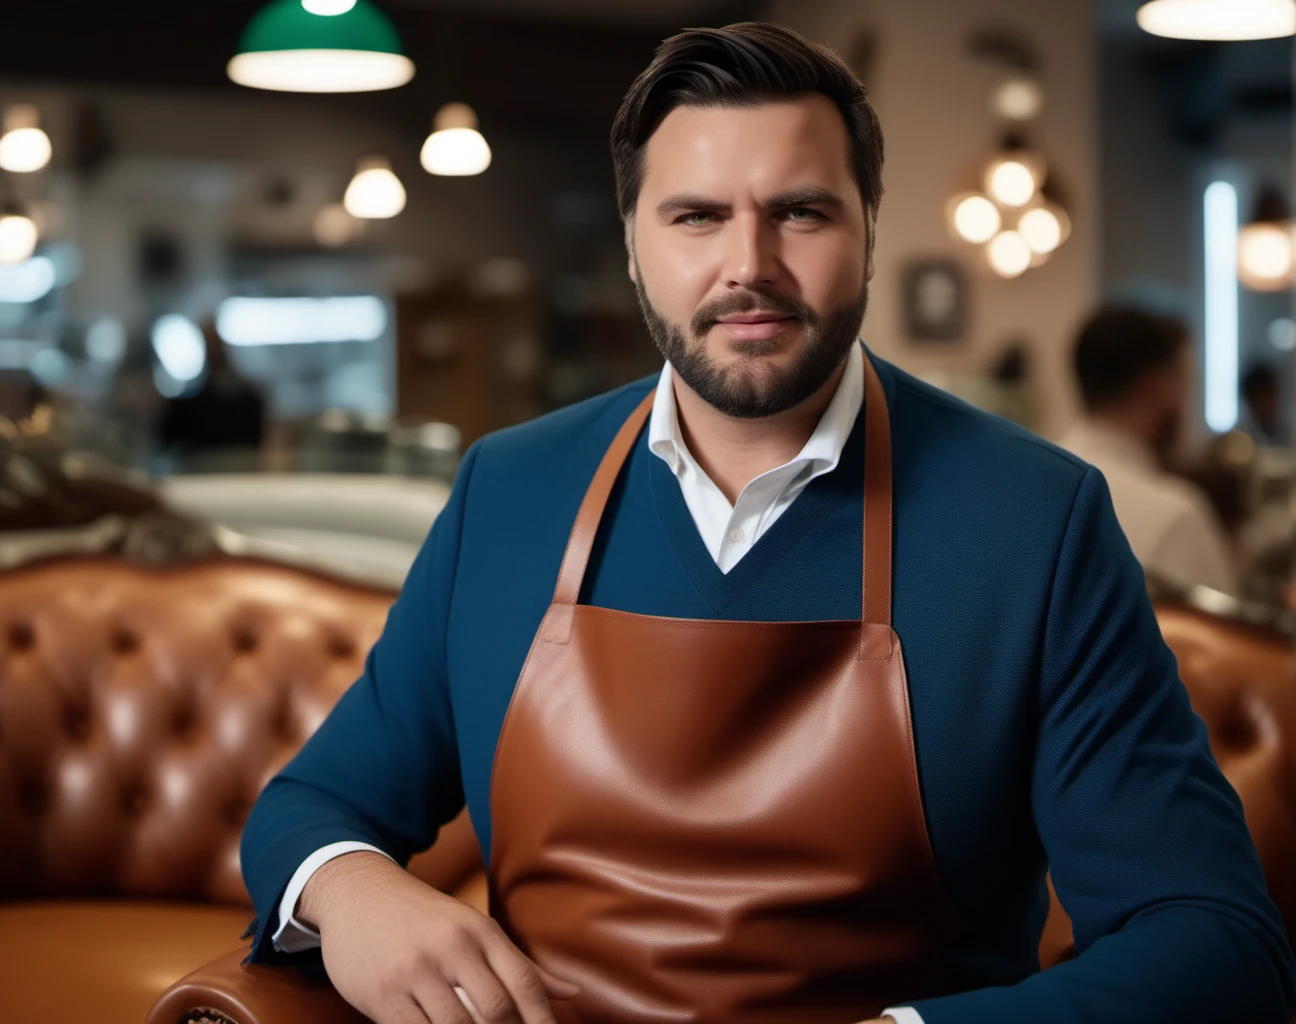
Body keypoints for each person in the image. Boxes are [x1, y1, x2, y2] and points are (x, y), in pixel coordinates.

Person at [240, 23, 1294, 1024]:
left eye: (801, 211)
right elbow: (312, 804)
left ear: (869, 230)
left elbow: (1212, 941)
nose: (748, 263)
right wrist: (355, 890)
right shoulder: (508, 490)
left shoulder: (1036, 521)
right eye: (695, 216)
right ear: (633, 245)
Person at [1060, 306, 1239, 595]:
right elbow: (1226, 640)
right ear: (1154, 387)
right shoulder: (1175, 515)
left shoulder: (1029, 489)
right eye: (1183, 381)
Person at [157, 317, 265, 464]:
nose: (212, 348)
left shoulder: (247, 394)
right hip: (201, 467)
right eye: (208, 342)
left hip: (240, 465)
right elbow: (169, 436)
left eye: (214, 342)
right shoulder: (190, 399)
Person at [1241, 362, 1283, 445]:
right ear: (1250, 400)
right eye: (1263, 397)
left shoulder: (1287, 435)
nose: (1268, 403)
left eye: (1271, 396)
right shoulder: (1240, 439)